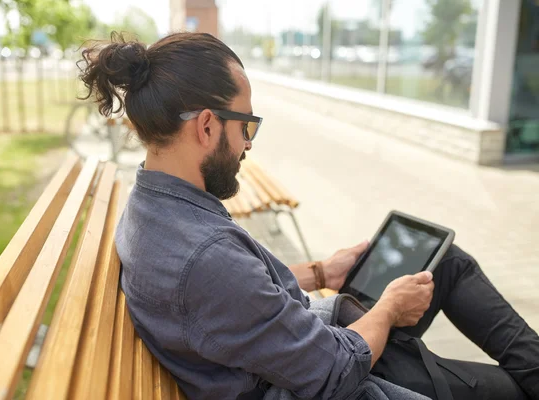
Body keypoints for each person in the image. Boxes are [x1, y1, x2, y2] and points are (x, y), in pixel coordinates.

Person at [78, 32, 539, 400]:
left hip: (301, 346)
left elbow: (233, 298)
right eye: (246, 126)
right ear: (205, 125)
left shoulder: (153, 206)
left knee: (447, 262)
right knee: (515, 387)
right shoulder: (203, 255)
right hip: (328, 373)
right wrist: (388, 308)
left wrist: (322, 271)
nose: (249, 145)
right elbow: (334, 373)